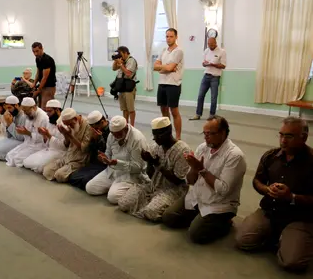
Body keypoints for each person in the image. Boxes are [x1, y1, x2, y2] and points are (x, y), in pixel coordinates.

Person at [236, 117, 313, 273]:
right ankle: (280, 237)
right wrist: (266, 189)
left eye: (289, 136)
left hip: (299, 217)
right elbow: (257, 180)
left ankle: (295, 238)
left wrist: (291, 197)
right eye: (281, 135)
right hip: (270, 211)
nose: (283, 140)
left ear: (303, 137)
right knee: (242, 241)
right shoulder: (271, 156)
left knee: (292, 263)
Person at [162, 115, 246, 244]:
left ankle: (225, 222)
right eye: (205, 133)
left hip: (219, 204)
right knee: (168, 217)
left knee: (196, 235)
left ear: (223, 133)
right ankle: (201, 217)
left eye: (210, 134)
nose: (206, 137)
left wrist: (202, 170)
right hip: (197, 197)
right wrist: (193, 169)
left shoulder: (234, 156)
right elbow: (190, 181)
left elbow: (223, 190)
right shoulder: (202, 148)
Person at [119, 117, 191, 222]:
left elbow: (178, 180)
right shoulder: (156, 147)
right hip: (153, 185)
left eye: (158, 135)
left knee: (151, 212)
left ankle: (157, 206)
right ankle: (153, 202)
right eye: (154, 135)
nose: (155, 138)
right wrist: (149, 162)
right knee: (123, 203)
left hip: (173, 190)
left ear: (168, 132)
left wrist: (157, 164)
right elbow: (150, 175)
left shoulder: (183, 150)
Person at [86, 116, 148, 204]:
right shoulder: (112, 135)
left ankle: (128, 188)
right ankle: (115, 187)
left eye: (118, 134)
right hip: (112, 170)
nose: (115, 137)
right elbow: (108, 153)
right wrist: (104, 158)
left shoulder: (137, 139)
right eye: (113, 134)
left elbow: (138, 167)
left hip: (130, 175)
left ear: (126, 128)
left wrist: (117, 163)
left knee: (112, 198)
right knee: (90, 188)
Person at [43, 108, 92, 182]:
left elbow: (84, 148)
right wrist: (65, 134)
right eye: (67, 125)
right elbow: (67, 144)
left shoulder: (88, 125)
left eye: (70, 124)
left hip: (80, 160)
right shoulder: (71, 124)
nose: (69, 126)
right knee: (47, 171)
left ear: (75, 119)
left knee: (59, 175)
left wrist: (70, 136)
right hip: (68, 156)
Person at [154, 28, 184, 140]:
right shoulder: (163, 50)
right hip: (162, 83)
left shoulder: (179, 51)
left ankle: (178, 137)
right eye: (167, 36)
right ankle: (168, 134)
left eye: (171, 36)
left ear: (176, 37)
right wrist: (165, 68)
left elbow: (170, 67)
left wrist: (163, 67)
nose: (168, 39)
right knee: (164, 110)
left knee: (174, 111)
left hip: (173, 84)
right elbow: (155, 66)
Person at [68, 110, 110, 190]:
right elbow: (90, 149)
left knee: (85, 180)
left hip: (105, 164)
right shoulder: (95, 132)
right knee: (73, 177)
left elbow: (109, 151)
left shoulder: (112, 131)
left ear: (102, 122)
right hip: (95, 162)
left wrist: (100, 139)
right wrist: (94, 140)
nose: (95, 130)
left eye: (96, 127)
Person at [23, 99, 66, 174]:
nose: (47, 114)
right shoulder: (51, 122)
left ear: (57, 110)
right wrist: (44, 136)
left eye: (50, 111)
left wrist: (48, 135)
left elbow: (63, 146)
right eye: (46, 111)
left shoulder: (64, 124)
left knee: (38, 166)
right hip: (49, 149)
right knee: (26, 162)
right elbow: (46, 142)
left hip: (60, 152)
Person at [6, 97, 49, 168]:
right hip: (28, 143)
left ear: (34, 107)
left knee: (17, 159)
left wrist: (27, 133)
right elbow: (27, 133)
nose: (25, 114)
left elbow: (44, 138)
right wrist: (22, 131)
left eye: (27, 111)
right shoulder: (28, 115)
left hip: (39, 146)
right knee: (9, 155)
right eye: (24, 111)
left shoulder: (43, 118)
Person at [190, 38, 226, 120]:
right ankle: (198, 114)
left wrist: (214, 65)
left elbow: (223, 65)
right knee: (200, 96)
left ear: (215, 43)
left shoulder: (222, 52)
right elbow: (203, 63)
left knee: (213, 97)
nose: (210, 46)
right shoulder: (206, 51)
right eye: (209, 44)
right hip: (206, 76)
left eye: (212, 44)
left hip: (215, 77)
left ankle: (212, 115)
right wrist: (205, 64)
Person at [0, 96, 27, 161]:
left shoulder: (23, 117)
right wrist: (8, 124)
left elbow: (21, 138)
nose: (8, 110)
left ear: (16, 105)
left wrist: (10, 123)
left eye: (9, 107)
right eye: (7, 108)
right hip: (13, 138)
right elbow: (9, 136)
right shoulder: (14, 115)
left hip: (21, 141)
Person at [112, 46, 138, 126]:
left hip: (129, 86)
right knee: (124, 109)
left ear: (126, 53)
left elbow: (128, 73)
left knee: (130, 109)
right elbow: (113, 68)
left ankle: (132, 126)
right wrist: (116, 61)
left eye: (120, 53)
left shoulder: (131, 60)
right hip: (121, 86)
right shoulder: (121, 60)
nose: (119, 55)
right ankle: (125, 125)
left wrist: (121, 64)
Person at [31, 42, 57, 110]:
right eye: (33, 51)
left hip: (49, 87)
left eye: (37, 51)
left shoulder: (47, 59)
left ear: (42, 49)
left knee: (46, 108)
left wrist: (38, 90)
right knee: (40, 107)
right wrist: (34, 84)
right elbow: (38, 73)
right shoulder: (37, 59)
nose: (35, 53)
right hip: (43, 86)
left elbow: (44, 78)